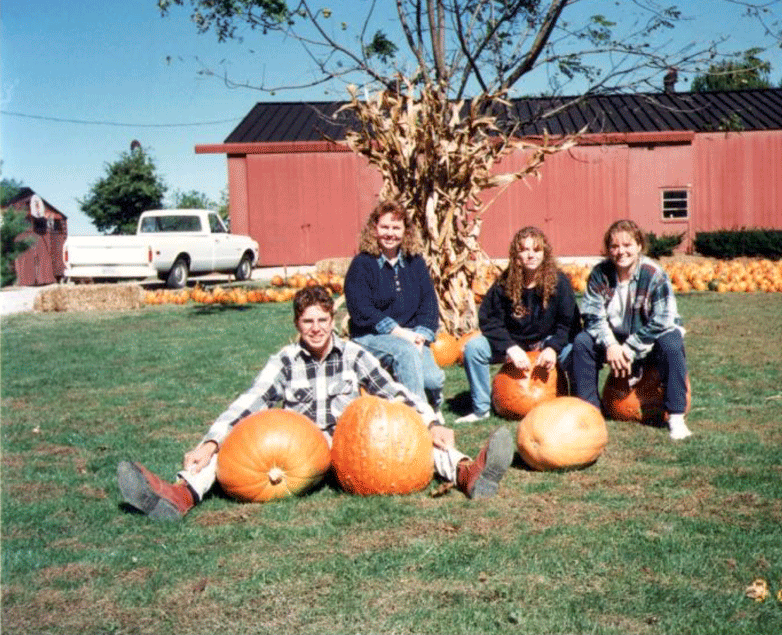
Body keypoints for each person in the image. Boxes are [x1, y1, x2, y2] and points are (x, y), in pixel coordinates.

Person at [117, 285, 515, 521]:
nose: (316, 328)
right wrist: (210, 442)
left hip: (347, 449)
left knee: (421, 443)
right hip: (299, 451)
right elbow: (250, 402)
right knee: (234, 452)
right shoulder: (286, 361)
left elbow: (396, 392)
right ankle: (179, 496)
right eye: (308, 322)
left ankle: (468, 472)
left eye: (322, 320)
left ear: (332, 320)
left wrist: (431, 423)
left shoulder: (353, 354)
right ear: (297, 325)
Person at [571, 219, 692, 439]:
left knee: (672, 343)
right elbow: (592, 315)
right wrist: (611, 345)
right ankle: (590, 413)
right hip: (614, 336)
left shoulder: (654, 273)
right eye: (615, 246)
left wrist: (629, 348)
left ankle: (676, 416)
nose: (621, 252)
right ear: (608, 249)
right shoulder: (600, 274)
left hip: (651, 334)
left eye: (627, 245)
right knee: (582, 343)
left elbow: (663, 319)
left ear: (639, 246)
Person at [458, 226, 579, 423]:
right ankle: (481, 409)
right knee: (474, 348)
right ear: (516, 254)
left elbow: (567, 324)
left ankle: (574, 403)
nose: (530, 255)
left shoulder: (560, 282)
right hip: (514, 343)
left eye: (536, 250)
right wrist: (509, 347)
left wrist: (553, 348)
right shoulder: (505, 282)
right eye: (524, 249)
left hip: (547, 343)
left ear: (545, 253)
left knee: (575, 351)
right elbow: (489, 319)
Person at [344, 201, 445, 411]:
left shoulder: (415, 262)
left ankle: (429, 400)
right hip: (370, 336)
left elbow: (429, 303)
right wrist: (401, 334)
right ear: (374, 229)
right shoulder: (362, 265)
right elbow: (361, 309)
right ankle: (422, 417)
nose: (390, 233)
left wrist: (421, 336)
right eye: (385, 227)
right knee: (404, 352)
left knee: (433, 380)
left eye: (396, 228)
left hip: (412, 336)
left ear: (405, 231)